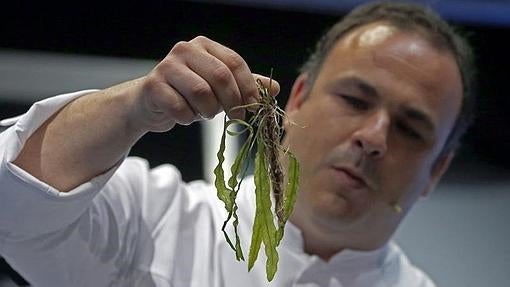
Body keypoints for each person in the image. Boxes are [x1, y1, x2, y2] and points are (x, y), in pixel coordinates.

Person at [0, 1, 475, 286]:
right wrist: (132, 107)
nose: (373, 138)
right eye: (354, 98)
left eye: (411, 129)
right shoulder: (152, 219)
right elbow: (11, 203)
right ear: (300, 99)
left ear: (436, 169)